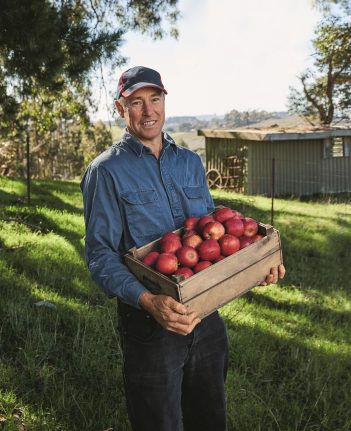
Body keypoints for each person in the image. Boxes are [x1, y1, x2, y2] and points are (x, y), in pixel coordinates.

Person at [80, 66, 285, 431]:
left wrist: (255, 267)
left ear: (165, 101)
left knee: (211, 418)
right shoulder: (106, 172)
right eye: (136, 103)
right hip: (150, 324)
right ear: (120, 108)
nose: (148, 111)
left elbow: (213, 238)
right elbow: (99, 256)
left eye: (155, 99)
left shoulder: (189, 162)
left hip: (207, 318)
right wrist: (148, 301)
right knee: (159, 422)